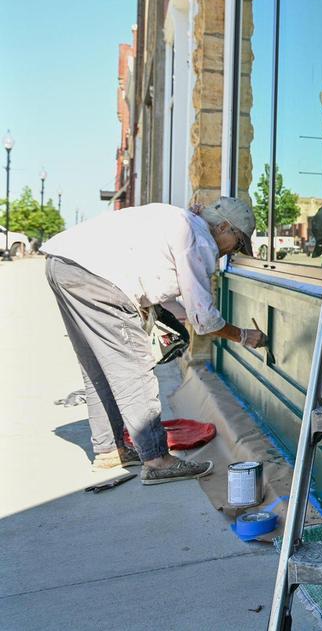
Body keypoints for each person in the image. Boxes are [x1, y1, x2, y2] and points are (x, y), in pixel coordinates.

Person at [42, 197, 269, 485]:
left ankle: (109, 449)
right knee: (133, 369)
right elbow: (205, 319)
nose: (231, 252)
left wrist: (179, 318)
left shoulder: (177, 221)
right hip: (97, 279)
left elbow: (170, 295)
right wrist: (244, 336)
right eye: (236, 243)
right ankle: (156, 459)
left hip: (64, 266)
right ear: (223, 226)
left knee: (97, 366)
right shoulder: (197, 239)